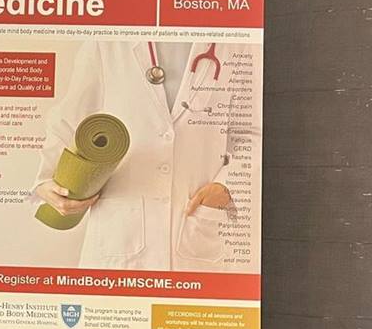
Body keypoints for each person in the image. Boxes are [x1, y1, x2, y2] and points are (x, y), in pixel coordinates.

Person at [34, 39, 261, 271]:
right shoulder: (107, 43)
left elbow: (253, 133)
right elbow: (68, 123)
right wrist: (46, 181)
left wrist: (226, 186)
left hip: (195, 235)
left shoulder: (237, 45)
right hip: (120, 239)